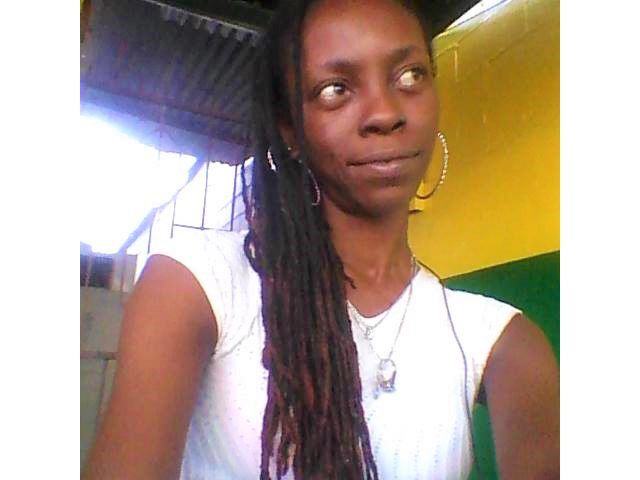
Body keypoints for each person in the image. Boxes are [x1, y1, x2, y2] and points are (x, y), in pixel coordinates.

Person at [83, 0, 560, 479]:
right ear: (290, 130)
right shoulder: (198, 285)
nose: (385, 113)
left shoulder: (496, 340)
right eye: (336, 89)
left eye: (410, 76)